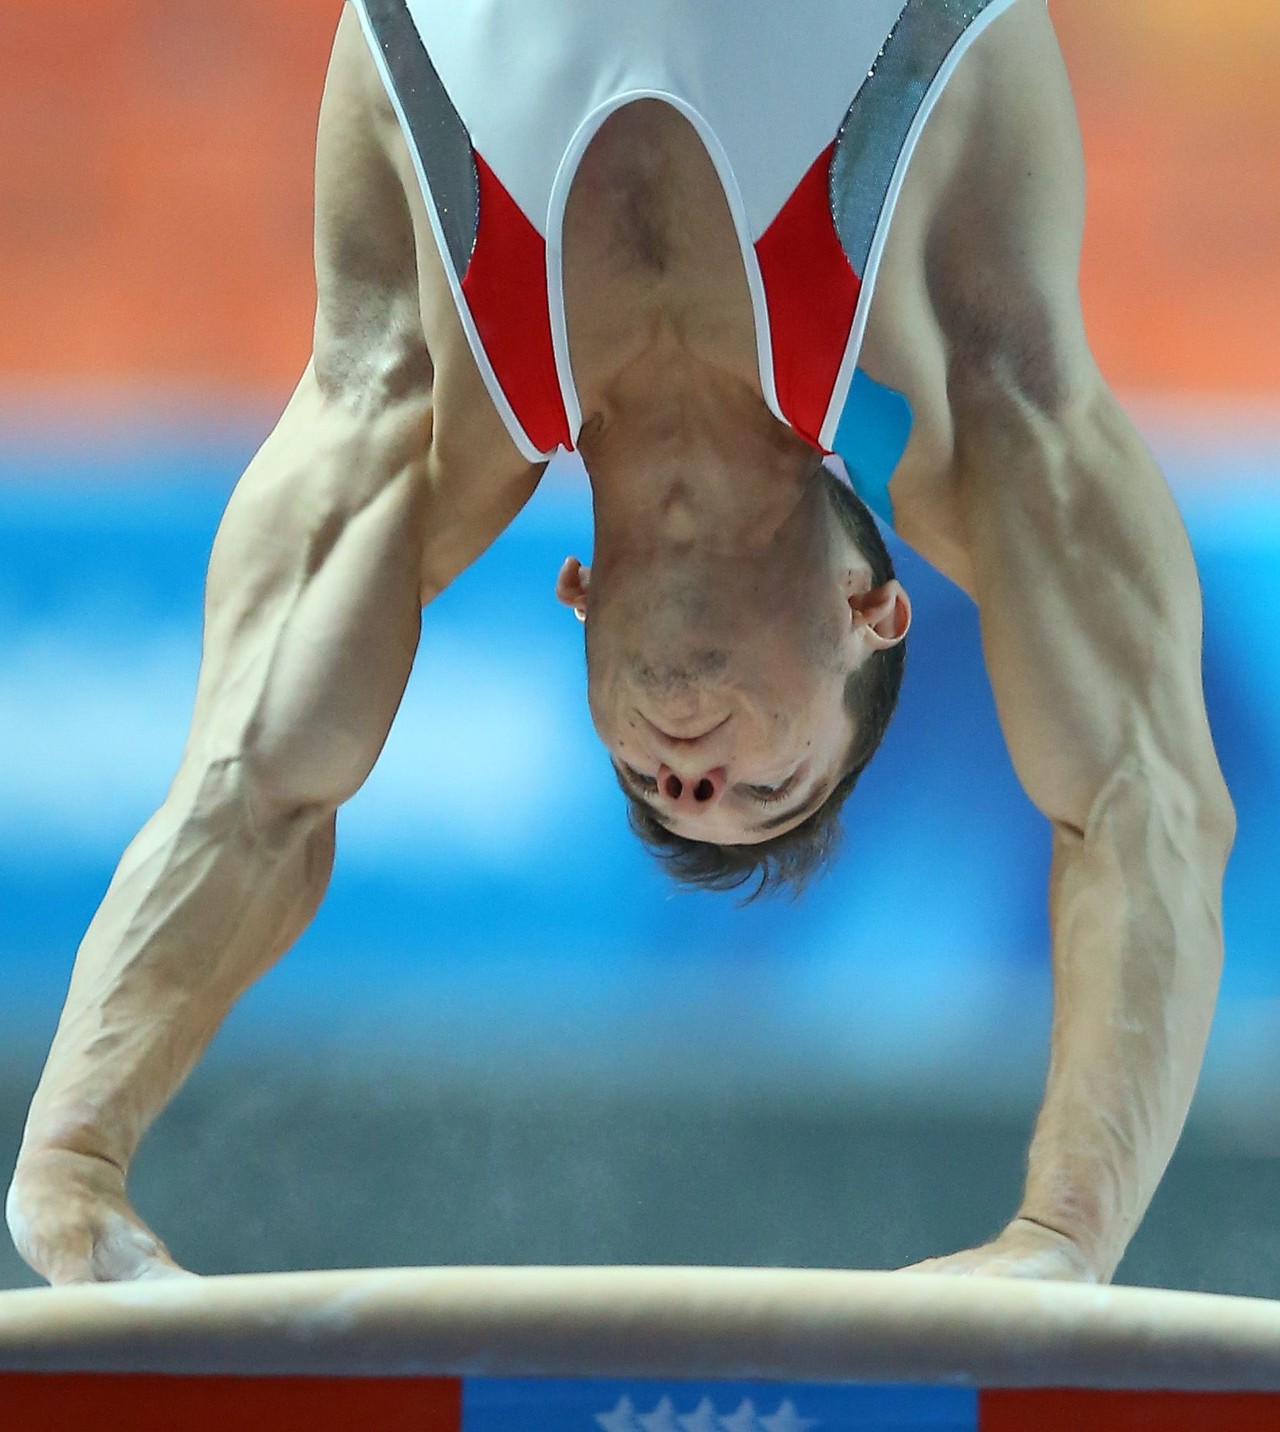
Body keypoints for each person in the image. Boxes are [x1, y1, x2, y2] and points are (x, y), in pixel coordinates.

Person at [6, 0, 1233, 1288]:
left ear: (576, 598)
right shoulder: (972, 402)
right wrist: (1064, 1240)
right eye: (773, 786)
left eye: (653, 786)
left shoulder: (426, 416)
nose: (693, 780)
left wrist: (72, 1161)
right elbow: (1145, 795)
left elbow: (253, 786)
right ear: (871, 611)